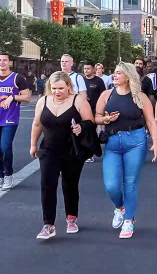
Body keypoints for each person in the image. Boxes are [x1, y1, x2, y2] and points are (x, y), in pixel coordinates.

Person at [95, 62, 157, 239]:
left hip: (136, 140)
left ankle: (129, 220)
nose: (114, 76)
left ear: (128, 76)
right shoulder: (107, 95)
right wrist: (106, 119)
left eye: (118, 73)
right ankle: (119, 207)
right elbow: (96, 117)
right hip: (113, 141)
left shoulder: (140, 97)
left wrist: (155, 142)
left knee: (130, 183)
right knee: (111, 185)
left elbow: (151, 121)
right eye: (114, 73)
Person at [31, 72, 95, 240]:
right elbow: (37, 124)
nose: (57, 91)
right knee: (47, 185)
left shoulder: (78, 100)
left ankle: (71, 218)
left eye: (61, 88)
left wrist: (81, 127)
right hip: (48, 150)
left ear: (68, 86)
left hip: (72, 150)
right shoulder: (43, 101)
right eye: (54, 88)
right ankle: (48, 224)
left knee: (70, 185)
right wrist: (33, 145)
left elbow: (90, 121)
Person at [0, 53, 31, 189]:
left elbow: (27, 97)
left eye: (4, 60)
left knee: (5, 147)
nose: (2, 62)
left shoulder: (17, 78)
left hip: (10, 118)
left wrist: (13, 97)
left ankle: (8, 175)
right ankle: (0, 176)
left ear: (10, 62)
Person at [83, 60, 106, 163]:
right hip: (82, 109)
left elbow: (103, 95)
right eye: (84, 68)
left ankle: (90, 153)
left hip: (94, 110)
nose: (86, 70)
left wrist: (102, 111)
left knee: (91, 132)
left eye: (88, 68)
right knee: (83, 132)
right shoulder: (81, 80)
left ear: (93, 69)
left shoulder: (98, 81)